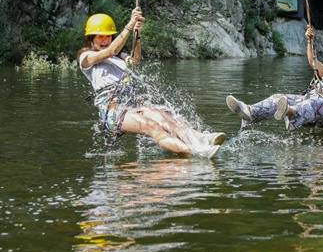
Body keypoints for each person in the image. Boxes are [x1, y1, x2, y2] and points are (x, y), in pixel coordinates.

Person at [78, 9, 226, 157]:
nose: (105, 40)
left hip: (132, 105)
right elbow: (110, 51)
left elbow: (135, 61)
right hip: (113, 113)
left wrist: (137, 35)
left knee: (166, 118)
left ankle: (200, 139)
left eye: (108, 36)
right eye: (100, 37)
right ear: (91, 38)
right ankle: (195, 151)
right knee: (152, 126)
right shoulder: (86, 57)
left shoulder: (119, 56)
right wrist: (130, 24)